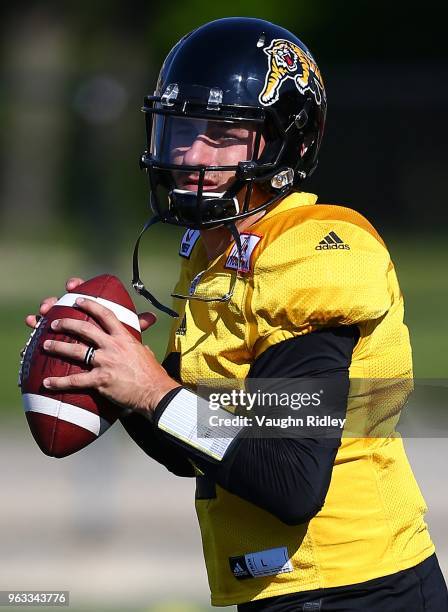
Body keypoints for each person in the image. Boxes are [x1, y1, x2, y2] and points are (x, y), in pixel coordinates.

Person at [25, 17, 448, 612]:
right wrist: (116, 368)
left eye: (222, 135)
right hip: (289, 591)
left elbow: (291, 480)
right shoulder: (215, 253)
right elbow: (192, 448)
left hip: (358, 588)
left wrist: (155, 393)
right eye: (181, 130)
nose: (191, 154)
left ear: (288, 143)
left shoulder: (312, 253)